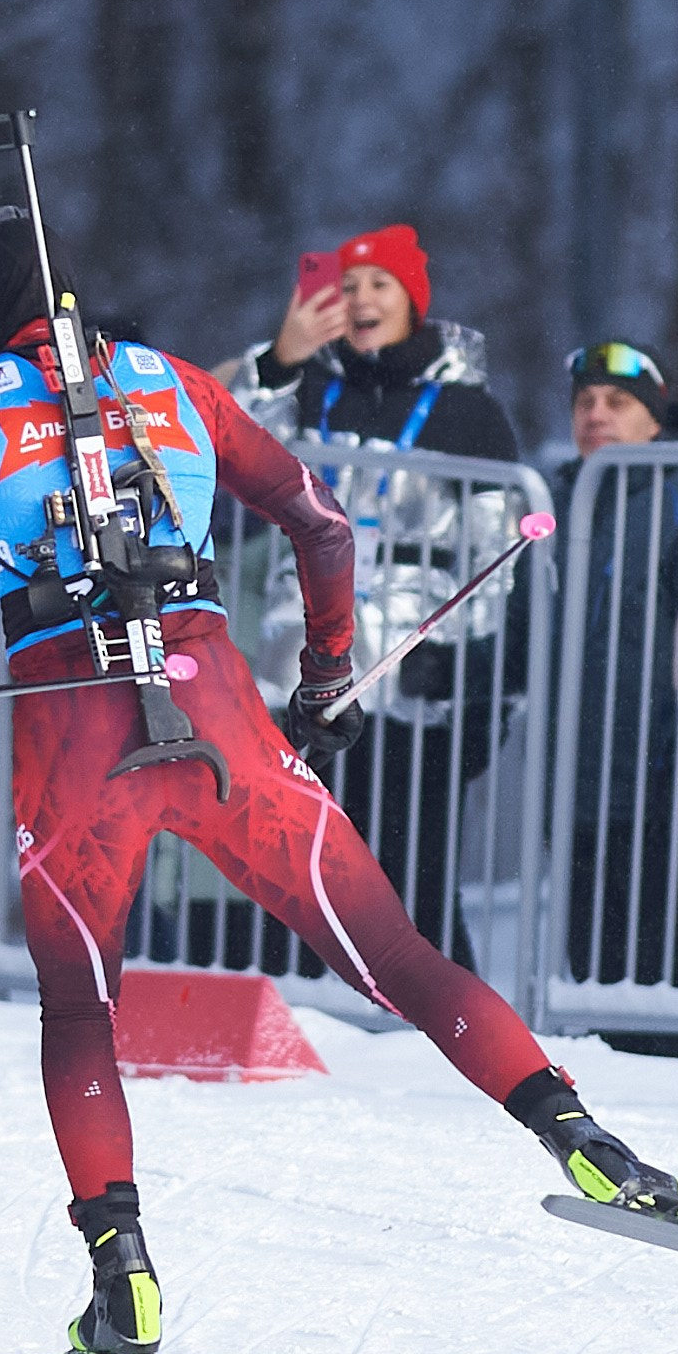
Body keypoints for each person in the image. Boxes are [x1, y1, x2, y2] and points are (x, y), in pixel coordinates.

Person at [0, 207, 678, 1354]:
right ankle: (576, 1127)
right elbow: (319, 522)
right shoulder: (173, 381)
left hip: (76, 740)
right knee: (396, 954)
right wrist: (327, 674)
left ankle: (119, 1267)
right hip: (219, 713)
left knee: (82, 1013)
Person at [228, 225, 525, 971]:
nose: (360, 299)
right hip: (295, 677)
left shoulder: (469, 411)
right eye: (349, 285)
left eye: (380, 285)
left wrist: (468, 666)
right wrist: (280, 359)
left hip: (407, 685)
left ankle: (450, 1032)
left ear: (414, 302)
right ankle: (286, 1029)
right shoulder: (308, 388)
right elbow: (218, 445)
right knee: (291, 879)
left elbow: (494, 558)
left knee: (408, 885)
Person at [547, 341, 678, 987]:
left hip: (663, 783)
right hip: (575, 784)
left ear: (656, 419)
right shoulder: (556, 502)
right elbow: (525, 627)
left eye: (617, 402)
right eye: (585, 401)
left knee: (663, 982)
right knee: (589, 976)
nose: (596, 414)